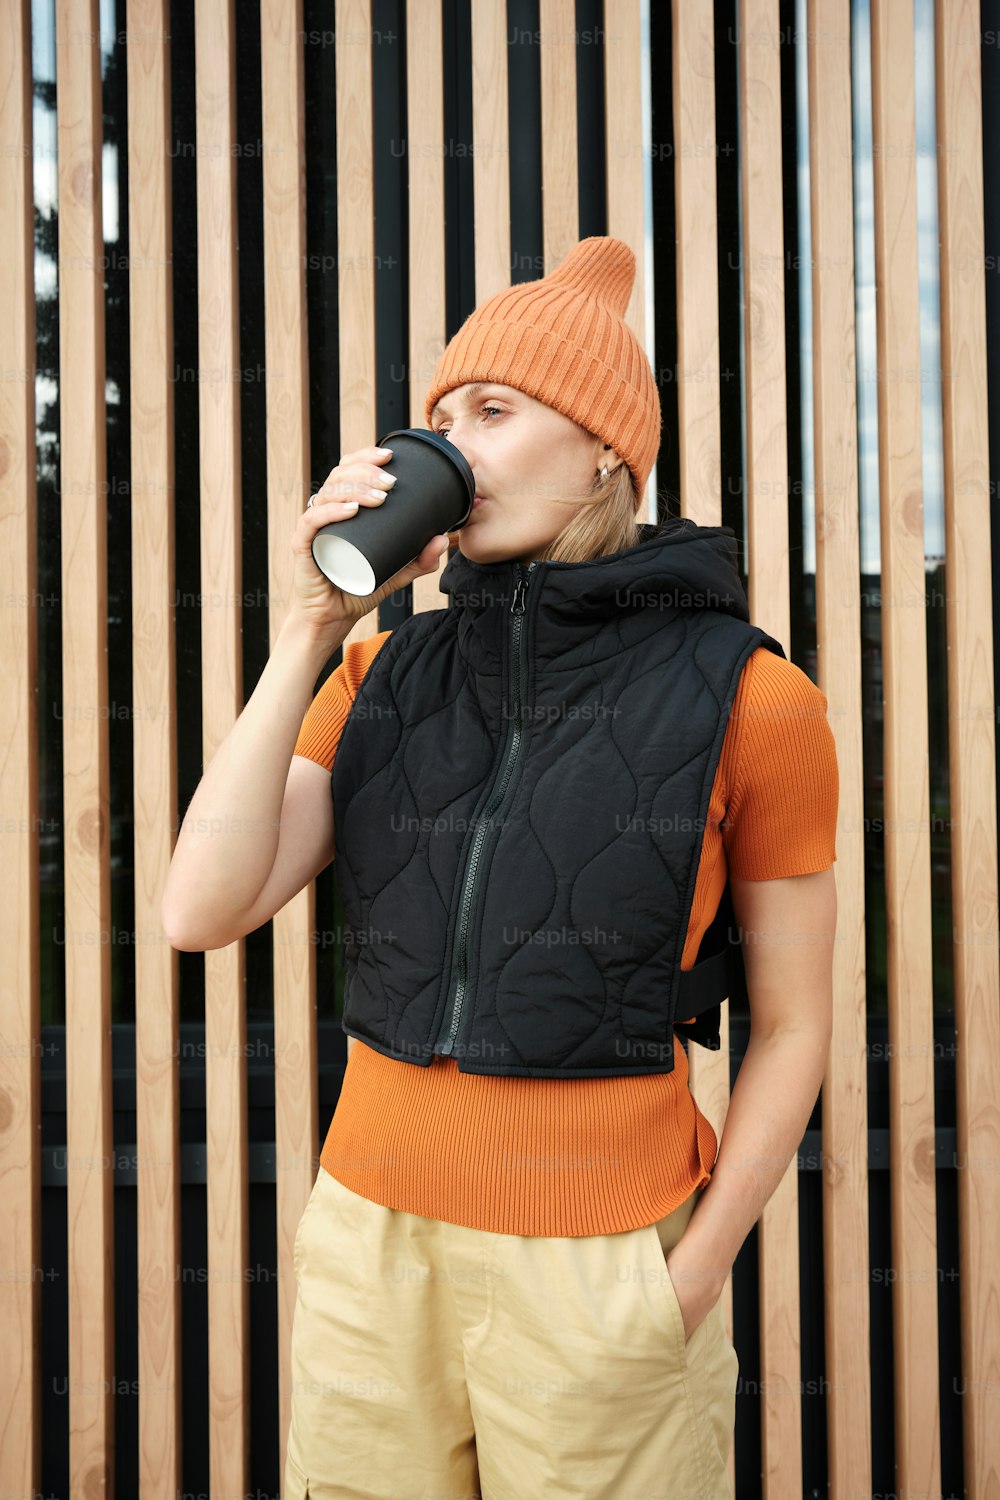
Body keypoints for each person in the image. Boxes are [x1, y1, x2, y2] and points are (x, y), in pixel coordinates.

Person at [162, 236, 838, 1500]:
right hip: (373, 1250)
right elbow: (201, 910)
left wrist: (683, 1284)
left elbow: (795, 1027)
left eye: (493, 409)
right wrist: (310, 627)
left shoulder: (754, 700)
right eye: (439, 418)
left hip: (607, 1269)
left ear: (603, 452)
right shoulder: (376, 679)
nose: (453, 446)